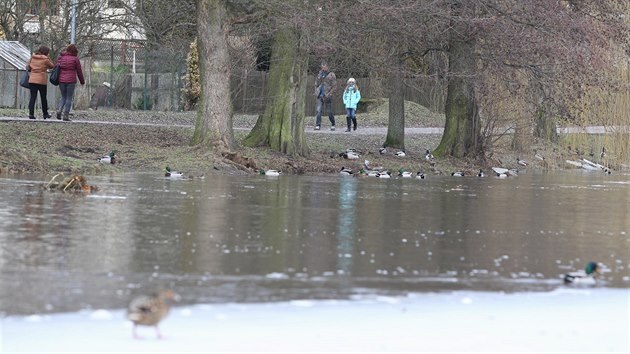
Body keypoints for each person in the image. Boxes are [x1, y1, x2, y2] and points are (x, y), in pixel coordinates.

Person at [55, 44, 85, 121]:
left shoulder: (61, 57)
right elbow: (79, 71)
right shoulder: (75, 59)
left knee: (63, 97)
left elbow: (56, 67)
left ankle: (59, 110)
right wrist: (82, 81)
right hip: (71, 81)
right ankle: (65, 116)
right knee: (69, 98)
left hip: (61, 80)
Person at [26, 45, 54, 120]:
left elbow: (28, 66)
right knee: (43, 97)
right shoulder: (46, 59)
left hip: (32, 80)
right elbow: (52, 66)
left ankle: (31, 114)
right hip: (41, 81)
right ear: (46, 52)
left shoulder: (33, 57)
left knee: (33, 97)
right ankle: (45, 114)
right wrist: (48, 58)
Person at [314, 62, 337, 130]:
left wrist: (330, 94)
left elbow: (334, 86)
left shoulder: (331, 75)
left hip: (327, 95)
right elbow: (316, 84)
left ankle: (333, 124)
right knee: (318, 111)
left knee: (329, 111)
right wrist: (316, 91)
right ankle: (318, 125)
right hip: (320, 95)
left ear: (327, 67)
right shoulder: (319, 74)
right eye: (322, 67)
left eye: (324, 66)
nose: (323, 68)